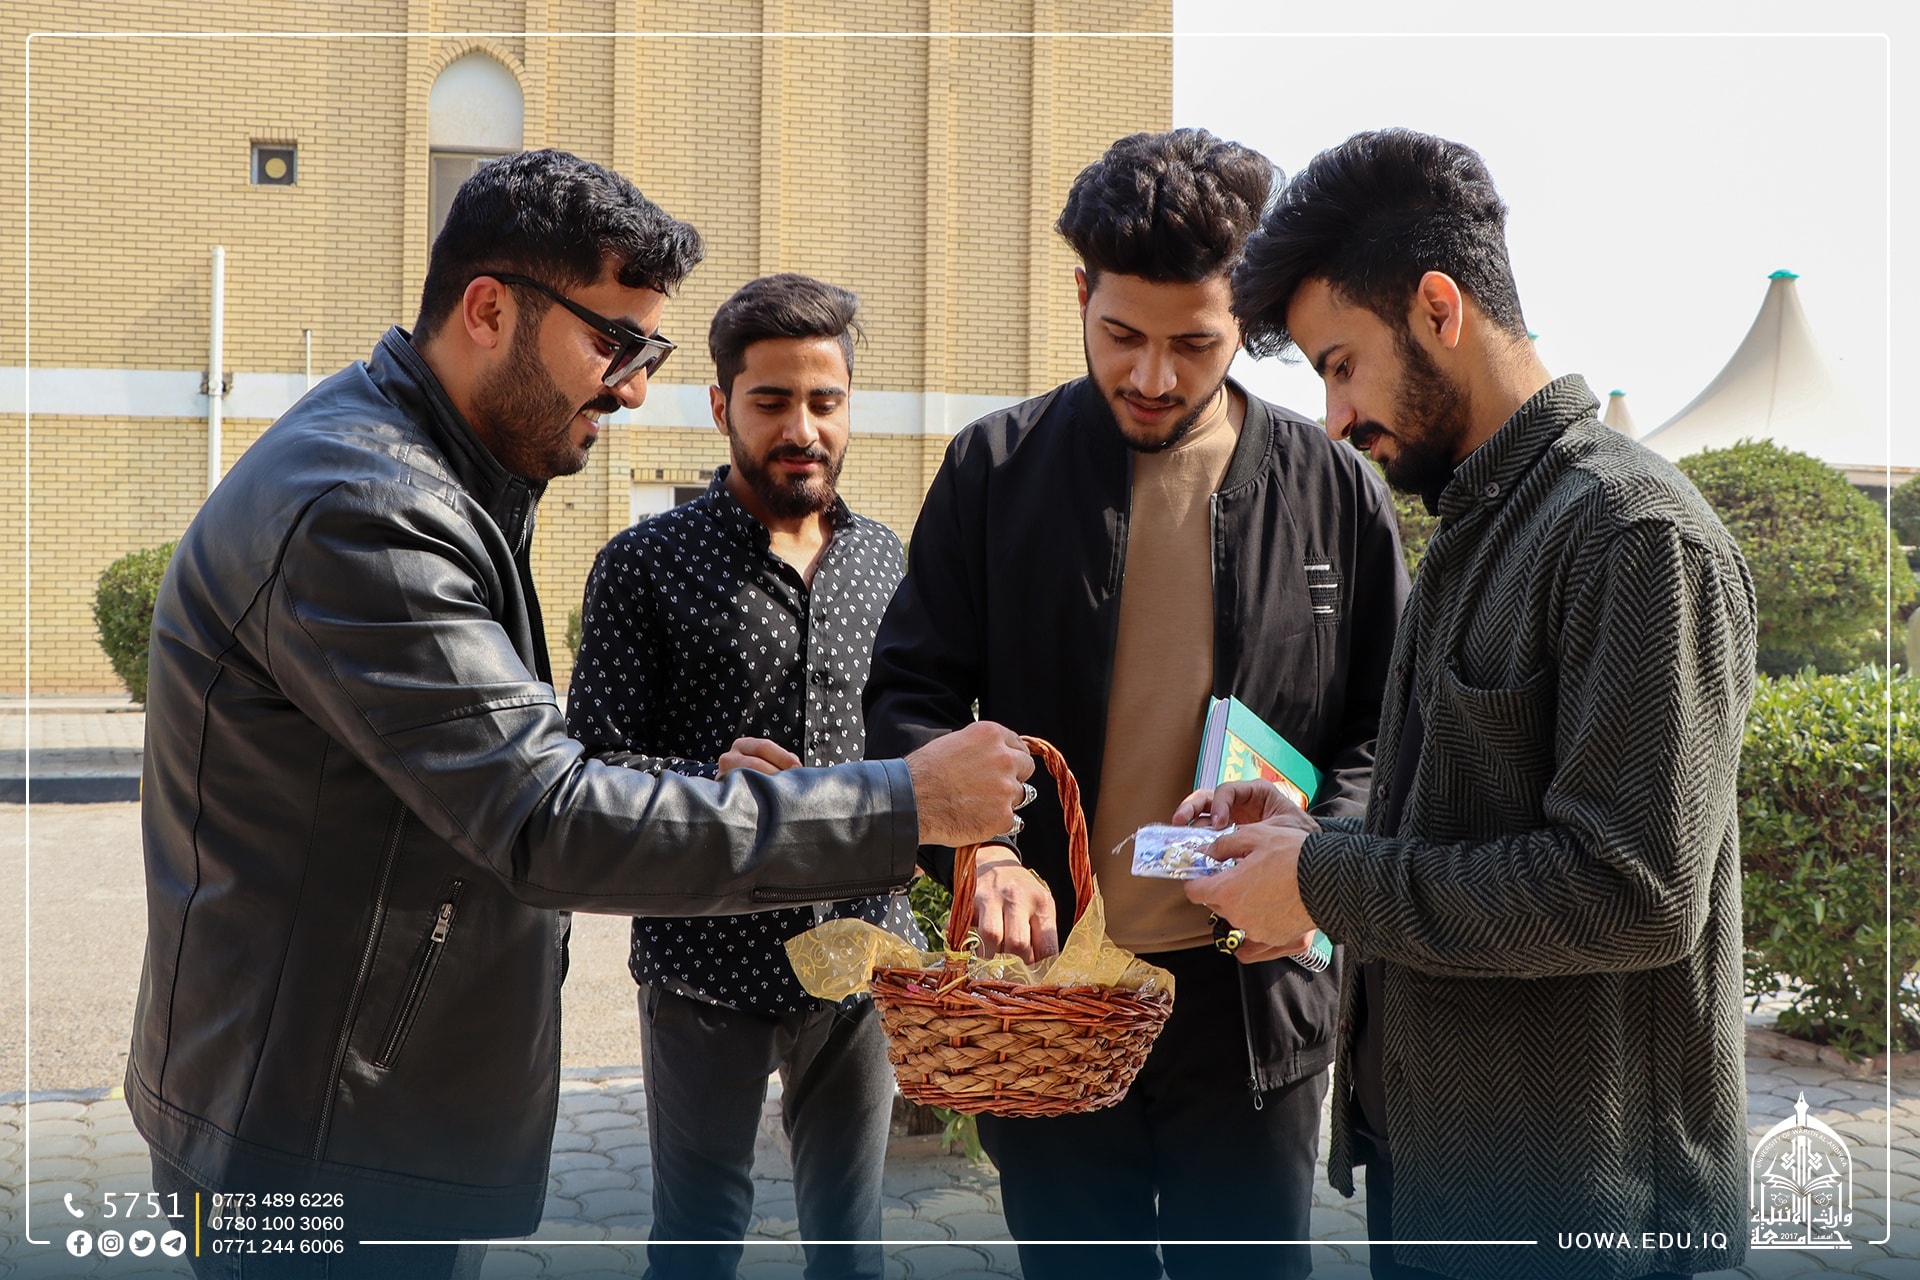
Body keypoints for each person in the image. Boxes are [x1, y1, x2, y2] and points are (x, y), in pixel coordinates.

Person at [127, 150, 1034, 1280]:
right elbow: (548, 813)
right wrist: (903, 802)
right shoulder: (369, 508)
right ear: (489, 309)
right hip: (313, 1144)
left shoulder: (431, 473)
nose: (632, 387)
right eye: (615, 343)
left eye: (648, 353)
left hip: (354, 1114)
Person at [1182, 127, 1757, 1280]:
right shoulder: (1475, 527)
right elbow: (1464, 834)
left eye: (1341, 364)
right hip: (1440, 1194)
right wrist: (1308, 841)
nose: (1333, 416)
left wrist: (1325, 880)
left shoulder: (1632, 535)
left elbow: (1633, 891)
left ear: (1439, 308)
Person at [863, 129, 1408, 1280]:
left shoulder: (1338, 492)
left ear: (1243, 321)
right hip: (1052, 994)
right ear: (1081, 295)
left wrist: (1320, 861)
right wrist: (981, 850)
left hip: (1252, 1001)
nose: (1154, 376)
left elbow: (1387, 731)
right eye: (1121, 335)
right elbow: (910, 692)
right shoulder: (993, 470)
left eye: (1193, 343)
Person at [566, 273, 913, 1280]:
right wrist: (704, 774)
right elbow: (591, 767)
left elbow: (919, 733)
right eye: (772, 401)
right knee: (698, 1237)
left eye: (824, 401)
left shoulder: (887, 562)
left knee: (852, 1242)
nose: (801, 428)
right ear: (722, 406)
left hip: (860, 955)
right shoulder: (644, 564)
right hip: (703, 960)